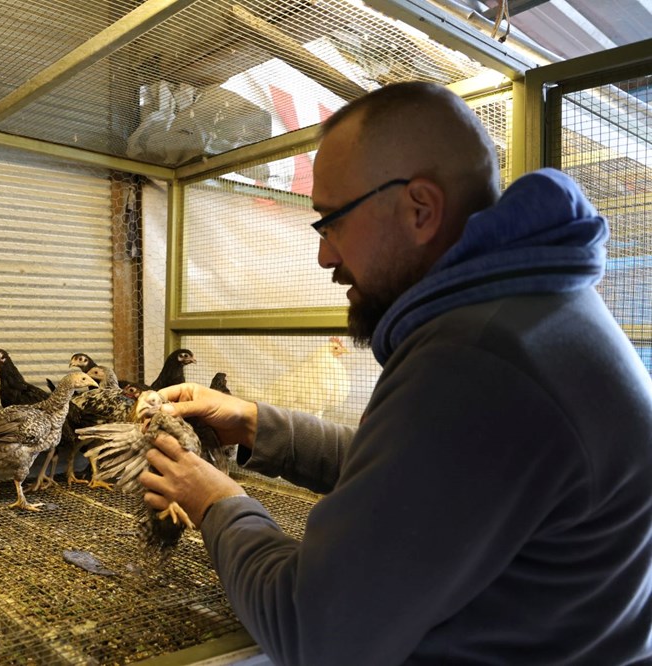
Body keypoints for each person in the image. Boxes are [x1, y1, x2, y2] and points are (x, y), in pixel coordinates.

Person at [138, 81, 652, 665]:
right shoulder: (532, 315)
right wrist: (259, 425)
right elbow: (421, 477)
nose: (324, 256)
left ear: (420, 210)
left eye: (331, 221)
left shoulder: (477, 360)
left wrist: (214, 501)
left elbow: (312, 633)